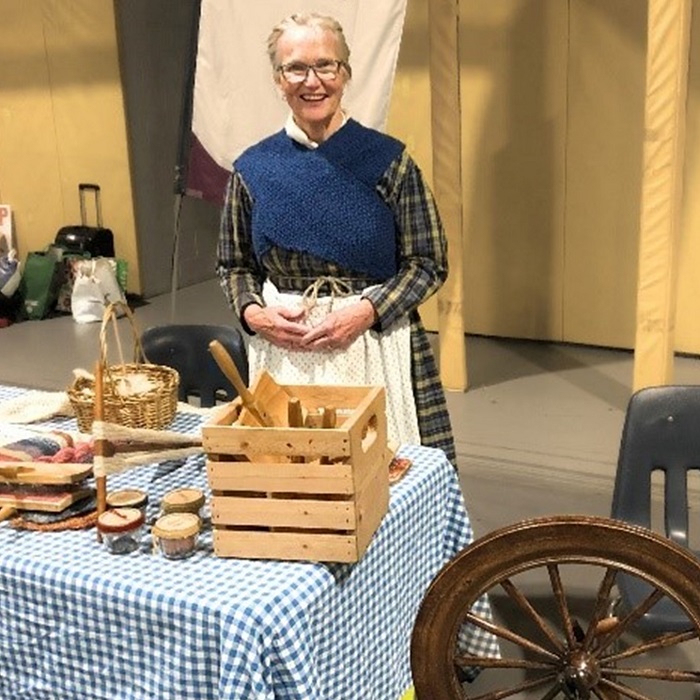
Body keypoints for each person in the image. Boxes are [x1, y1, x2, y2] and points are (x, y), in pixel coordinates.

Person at [216, 12, 457, 464]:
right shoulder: (253, 169)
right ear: (278, 79)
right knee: (292, 476)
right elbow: (234, 265)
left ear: (345, 73)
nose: (313, 82)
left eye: (326, 66)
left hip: (375, 347)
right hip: (285, 354)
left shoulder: (388, 161)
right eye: (296, 68)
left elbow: (428, 262)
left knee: (385, 475)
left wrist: (367, 311)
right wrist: (255, 314)